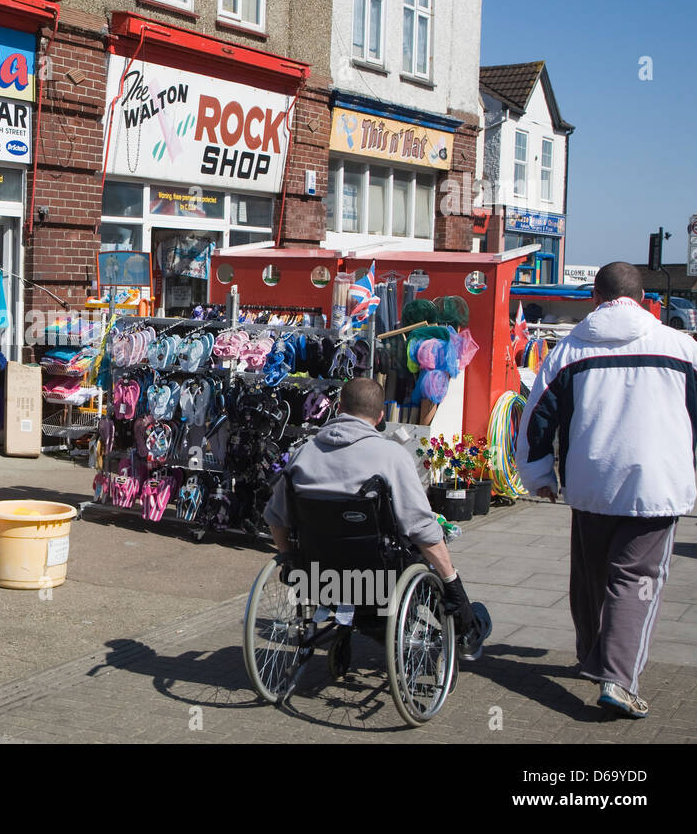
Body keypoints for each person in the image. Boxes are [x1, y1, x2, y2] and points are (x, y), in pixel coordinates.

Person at [517, 261, 696, 719]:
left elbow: (537, 415)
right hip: (656, 483)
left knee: (593, 575)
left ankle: (592, 657)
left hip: (592, 479)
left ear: (594, 298)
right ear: (644, 299)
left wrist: (538, 476)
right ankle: (618, 679)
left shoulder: (569, 350)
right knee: (634, 579)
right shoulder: (681, 347)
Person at [263, 377, 491, 659]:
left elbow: (275, 516)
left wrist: (291, 562)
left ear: (339, 408)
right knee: (423, 563)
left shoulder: (303, 454)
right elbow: (420, 526)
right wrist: (451, 580)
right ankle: (466, 629)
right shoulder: (391, 456)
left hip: (317, 576)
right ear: (381, 416)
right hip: (379, 579)